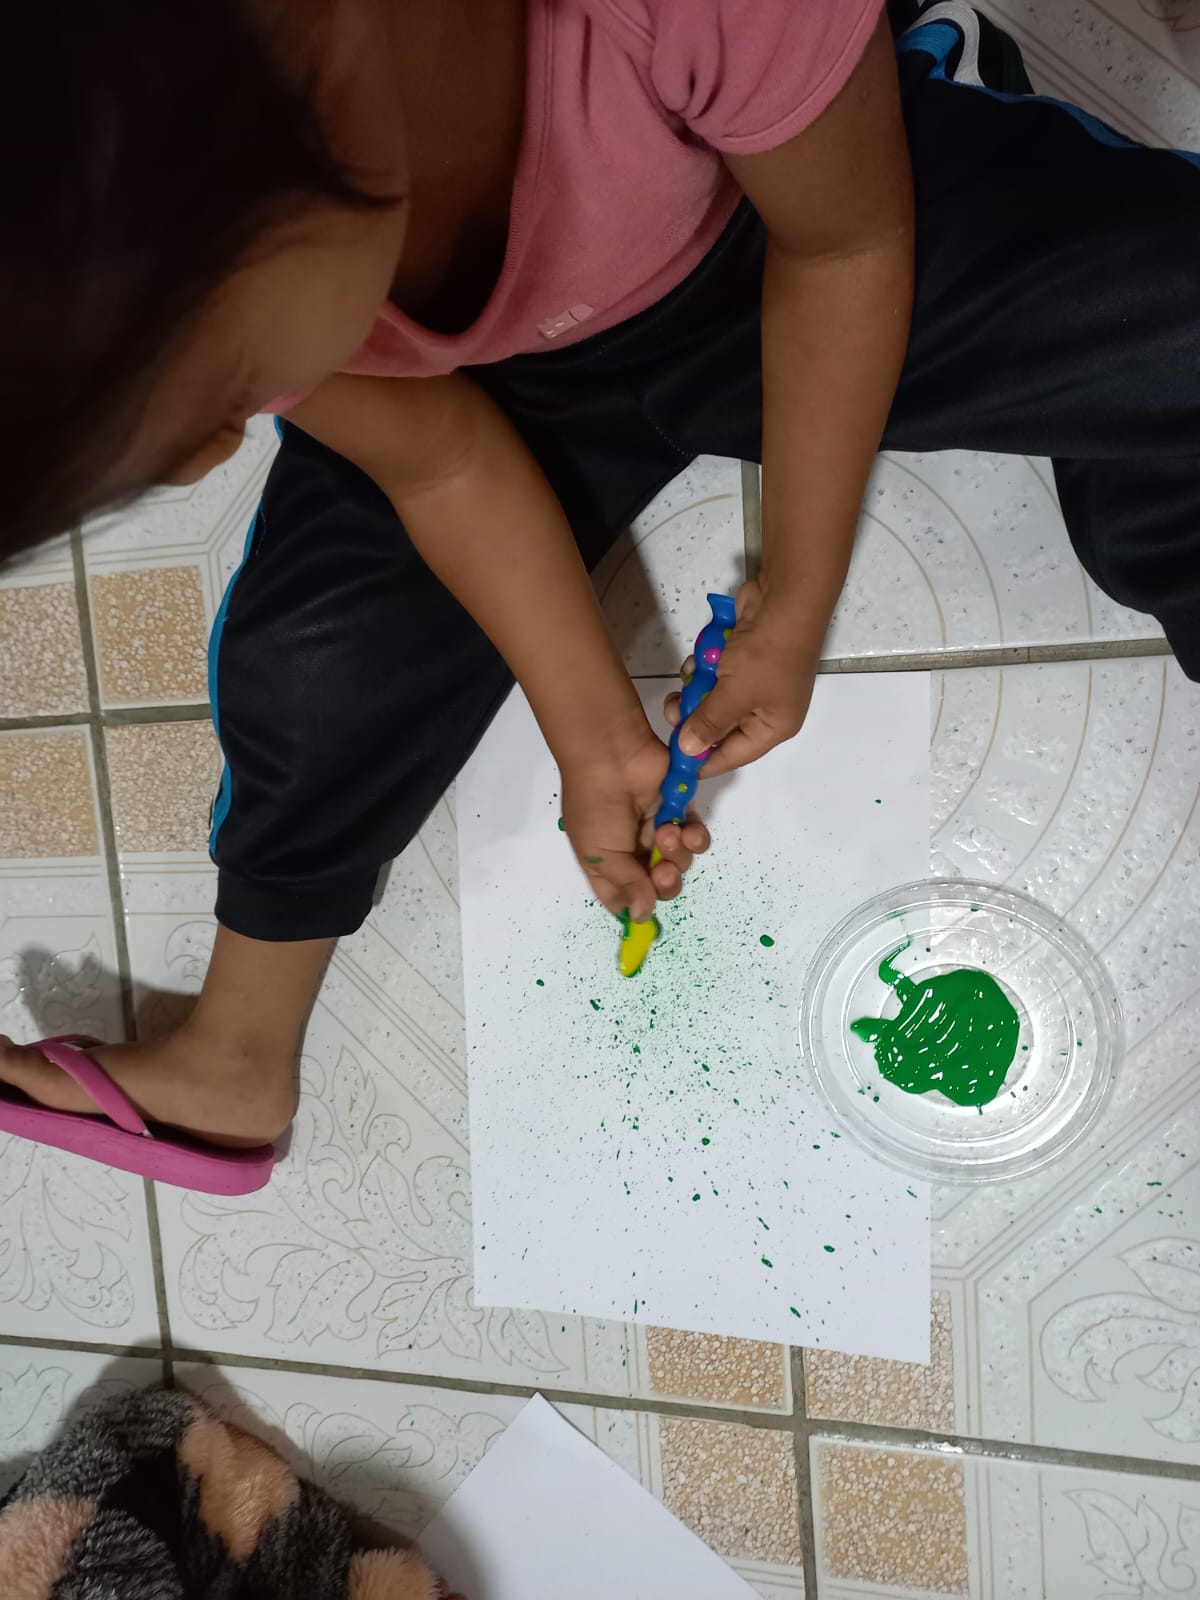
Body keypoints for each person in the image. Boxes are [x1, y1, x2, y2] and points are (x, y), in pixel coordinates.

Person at [2, 0, 1199, 1186]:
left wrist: (797, 597)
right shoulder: (179, 228)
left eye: (225, 396)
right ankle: (235, 1054)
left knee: (1164, 320)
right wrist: (591, 737)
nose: (217, 457)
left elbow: (844, 251)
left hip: (788, 235)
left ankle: (924, 68)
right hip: (490, 392)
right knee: (315, 675)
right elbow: (441, 459)